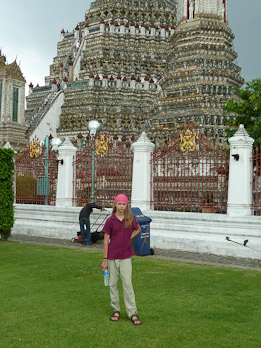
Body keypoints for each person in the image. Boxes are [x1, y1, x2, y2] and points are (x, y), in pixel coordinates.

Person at [101, 194, 142, 325]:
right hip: (112, 256)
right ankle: (116, 309)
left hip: (125, 256)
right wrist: (105, 259)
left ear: (126, 205)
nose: (121, 206)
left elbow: (138, 229)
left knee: (127, 284)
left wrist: (129, 237)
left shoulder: (130, 218)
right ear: (115, 205)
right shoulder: (110, 221)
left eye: (123, 204)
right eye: (119, 204)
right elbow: (106, 241)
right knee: (112, 283)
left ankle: (132, 312)